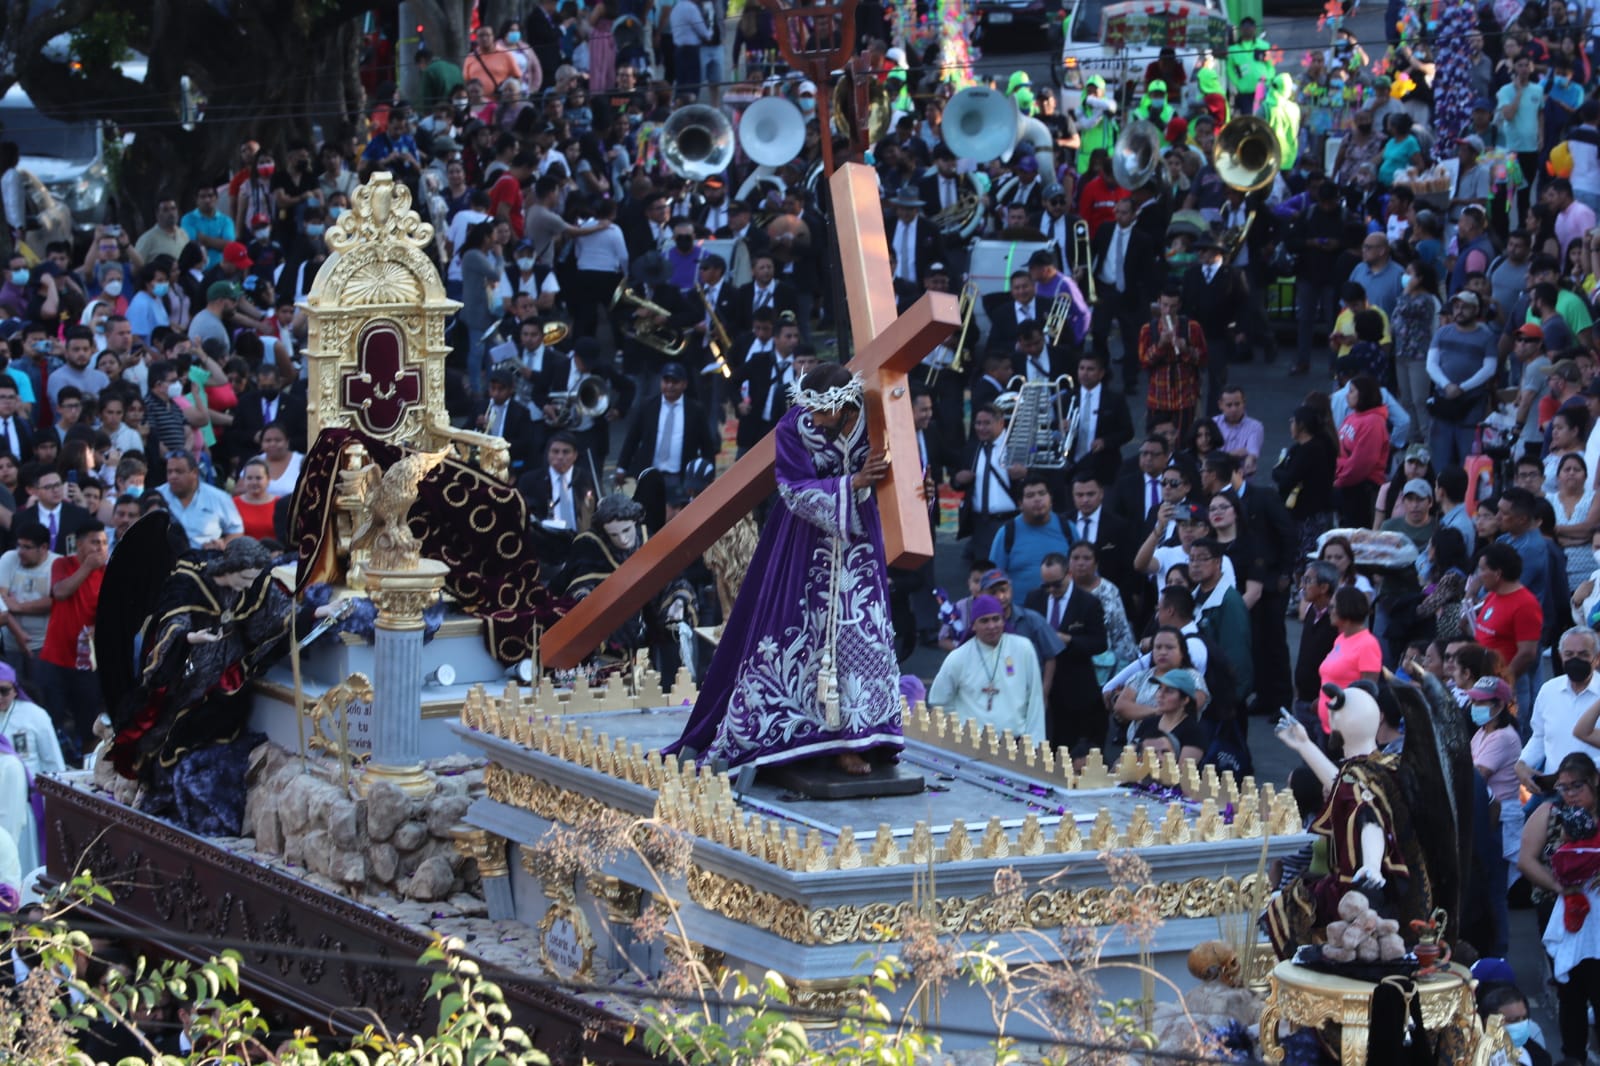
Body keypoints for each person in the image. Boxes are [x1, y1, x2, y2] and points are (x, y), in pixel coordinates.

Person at [666, 365, 902, 775]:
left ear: (845, 406)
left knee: (862, 634)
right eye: (810, 410)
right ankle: (803, 738)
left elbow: (903, 475)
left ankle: (856, 737)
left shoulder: (879, 419)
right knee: (795, 632)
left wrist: (919, 490)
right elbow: (792, 488)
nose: (815, 419)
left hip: (860, 546)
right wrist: (852, 483)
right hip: (803, 543)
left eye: (823, 412)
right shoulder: (794, 426)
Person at [1519, 752, 1600, 1065]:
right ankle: (1573, 1056)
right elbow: (1526, 860)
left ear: (1594, 781)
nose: (1570, 794)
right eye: (1563, 787)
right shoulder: (1549, 812)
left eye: (1576, 786)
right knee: (1569, 989)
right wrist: (1559, 887)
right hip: (1559, 910)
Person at [926, 593, 1046, 741]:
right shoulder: (958, 657)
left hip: (1016, 743)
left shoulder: (1023, 648)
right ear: (973, 625)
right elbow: (939, 701)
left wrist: (1035, 743)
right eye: (984, 621)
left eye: (996, 619)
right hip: (972, 744)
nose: (991, 626)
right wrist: (959, 731)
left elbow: (1035, 698)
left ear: (1003, 620)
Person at [37, 520, 107, 753]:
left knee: (89, 723)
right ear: (79, 544)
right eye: (94, 542)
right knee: (52, 718)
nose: (100, 548)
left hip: (87, 662)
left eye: (104, 542)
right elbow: (60, 592)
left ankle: (86, 763)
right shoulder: (62, 564)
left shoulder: (109, 572)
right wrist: (86, 567)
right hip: (55, 657)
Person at [1466, 674, 1525, 893]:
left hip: (1499, 818)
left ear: (1499, 705)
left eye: (1480, 702)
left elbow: (1477, 775)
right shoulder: (1482, 733)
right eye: (1473, 701)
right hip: (1485, 814)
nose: (1474, 706)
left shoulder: (1503, 737)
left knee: (1495, 889)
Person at [1134, 667, 1206, 765]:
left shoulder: (1193, 732)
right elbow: (1127, 757)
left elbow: (1183, 771)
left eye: (1169, 691)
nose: (1161, 695)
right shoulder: (1148, 723)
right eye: (1160, 688)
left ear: (1185, 700)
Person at [232, 459, 278, 542]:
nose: (254, 482)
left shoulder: (279, 504)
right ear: (244, 480)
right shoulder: (232, 504)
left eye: (258, 478)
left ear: (268, 479)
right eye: (249, 478)